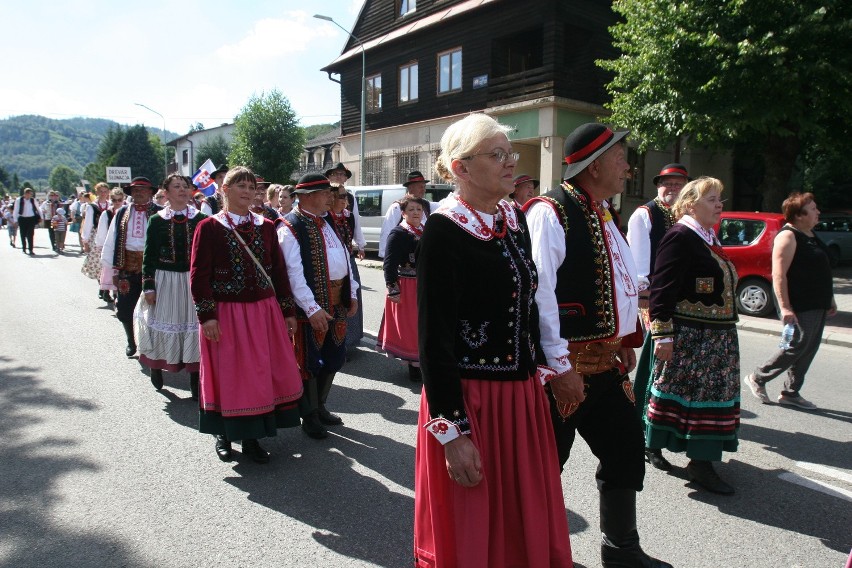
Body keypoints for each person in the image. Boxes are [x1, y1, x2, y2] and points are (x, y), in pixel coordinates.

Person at [414, 113, 572, 568]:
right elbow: (434, 340)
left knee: (520, 516)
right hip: (472, 402)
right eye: (496, 154)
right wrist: (452, 433)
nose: (510, 163)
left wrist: (549, 367)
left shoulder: (512, 217)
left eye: (510, 153)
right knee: (475, 522)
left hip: (519, 398)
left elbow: (529, 304)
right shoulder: (444, 230)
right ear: (461, 168)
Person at [524, 122, 670, 568]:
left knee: (625, 450)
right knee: (545, 468)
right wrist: (558, 367)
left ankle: (620, 550)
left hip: (606, 364)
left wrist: (625, 338)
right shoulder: (551, 211)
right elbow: (540, 293)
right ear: (597, 163)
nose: (628, 166)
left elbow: (619, 281)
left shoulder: (603, 211)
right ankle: (532, 552)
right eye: (622, 157)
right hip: (564, 370)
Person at [190, 166, 303, 464]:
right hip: (226, 313)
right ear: (224, 191)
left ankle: (253, 437)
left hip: (263, 311)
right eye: (239, 185)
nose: (246, 190)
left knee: (258, 373)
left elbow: (279, 272)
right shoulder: (209, 227)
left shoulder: (266, 226)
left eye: (251, 186)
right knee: (229, 374)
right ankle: (224, 434)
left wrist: (288, 311)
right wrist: (207, 316)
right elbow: (199, 276)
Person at [645, 177, 741, 495]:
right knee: (695, 401)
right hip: (692, 339)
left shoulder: (706, 237)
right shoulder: (681, 236)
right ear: (690, 206)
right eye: (712, 199)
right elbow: (662, 288)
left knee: (706, 400)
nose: (719, 205)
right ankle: (700, 464)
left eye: (720, 199)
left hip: (715, 339)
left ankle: (687, 456)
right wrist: (663, 336)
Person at [279, 173, 359, 440]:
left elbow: (344, 261)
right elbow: (293, 273)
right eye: (326, 193)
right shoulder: (290, 226)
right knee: (309, 361)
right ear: (309, 196)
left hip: (336, 301)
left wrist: (354, 293)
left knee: (334, 356)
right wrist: (310, 308)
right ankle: (309, 415)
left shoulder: (330, 222)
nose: (331, 198)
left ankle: (321, 406)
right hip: (310, 307)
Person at [744, 192, 836, 410]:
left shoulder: (810, 234)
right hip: (799, 302)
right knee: (796, 346)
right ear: (798, 215)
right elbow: (779, 274)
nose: (818, 212)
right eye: (813, 209)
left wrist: (830, 297)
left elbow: (822, 269)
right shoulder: (788, 236)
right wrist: (785, 307)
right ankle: (758, 376)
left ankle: (791, 392)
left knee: (809, 348)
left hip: (818, 301)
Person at [627, 162, 690, 472]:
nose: (672, 189)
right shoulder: (645, 214)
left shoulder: (684, 216)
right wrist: (645, 300)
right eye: (667, 184)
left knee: (668, 366)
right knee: (656, 362)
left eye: (678, 184)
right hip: (655, 298)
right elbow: (638, 263)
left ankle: (658, 421)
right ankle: (642, 425)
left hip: (681, 302)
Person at [136, 174, 207, 398]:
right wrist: (149, 285)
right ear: (166, 193)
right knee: (163, 324)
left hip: (192, 281)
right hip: (165, 280)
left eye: (185, 186)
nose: (182, 190)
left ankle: (195, 378)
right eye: (177, 186)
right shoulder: (157, 220)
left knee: (194, 328)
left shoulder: (201, 219)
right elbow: (149, 255)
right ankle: (156, 367)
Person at [101, 177, 163, 357]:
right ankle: (131, 341)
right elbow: (112, 240)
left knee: (153, 309)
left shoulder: (160, 213)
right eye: (135, 190)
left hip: (153, 268)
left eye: (143, 189)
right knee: (125, 309)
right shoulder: (121, 213)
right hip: (126, 267)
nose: (139, 193)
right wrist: (113, 269)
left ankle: (151, 345)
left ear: (151, 192)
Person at [376, 195, 427, 381]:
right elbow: (389, 264)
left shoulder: (425, 230)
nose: (416, 213)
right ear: (403, 213)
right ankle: (414, 366)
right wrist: (393, 288)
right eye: (411, 210)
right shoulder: (398, 233)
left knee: (424, 325)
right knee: (412, 327)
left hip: (425, 285)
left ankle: (423, 362)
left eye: (419, 210)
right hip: (407, 285)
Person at [325, 162, 365, 350]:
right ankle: (336, 341)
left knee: (351, 295)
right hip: (330, 262)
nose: (339, 177)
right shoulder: (324, 214)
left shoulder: (348, 208)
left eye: (342, 175)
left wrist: (360, 245)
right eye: (336, 174)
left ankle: (350, 339)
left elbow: (356, 222)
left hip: (347, 257)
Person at [378, 170, 441, 258]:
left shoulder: (427, 205)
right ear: (410, 188)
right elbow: (387, 231)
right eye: (420, 187)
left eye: (424, 187)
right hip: (403, 255)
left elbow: (445, 205)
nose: (423, 190)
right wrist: (386, 256)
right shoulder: (397, 207)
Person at [13, 188, 41, 255]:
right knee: (23, 234)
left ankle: (31, 249)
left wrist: (41, 217)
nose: (30, 195)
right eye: (29, 194)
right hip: (22, 218)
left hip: (31, 218)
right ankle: (24, 248)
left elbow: (38, 208)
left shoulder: (32, 200)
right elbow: (16, 210)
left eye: (31, 194)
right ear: (25, 193)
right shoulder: (19, 200)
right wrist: (15, 220)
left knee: (30, 234)